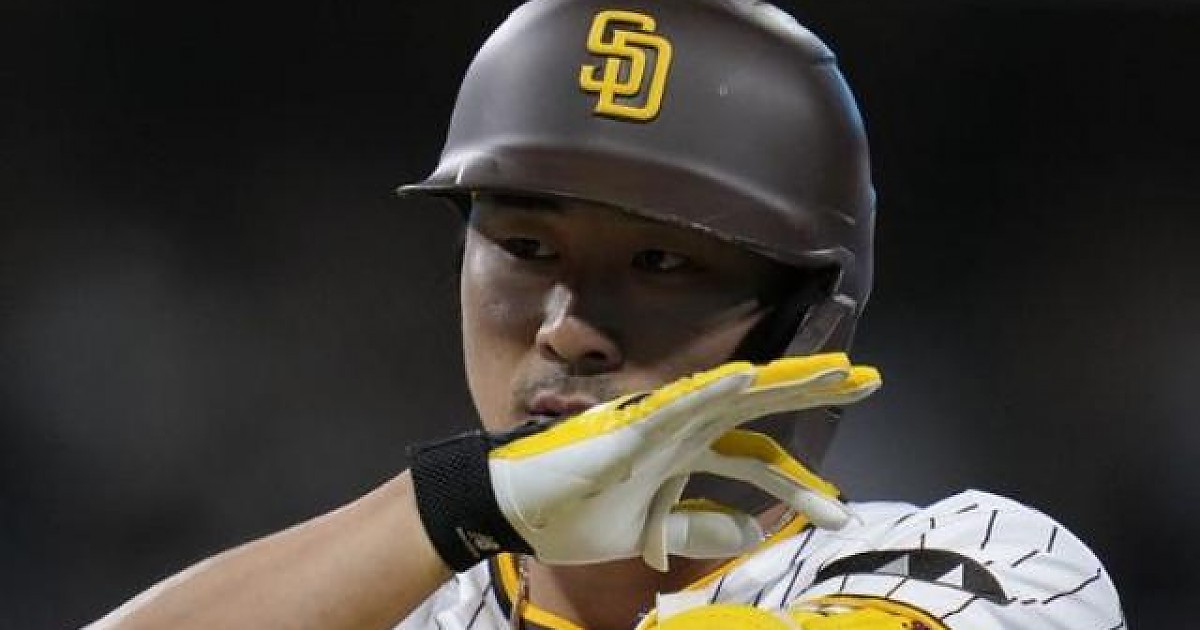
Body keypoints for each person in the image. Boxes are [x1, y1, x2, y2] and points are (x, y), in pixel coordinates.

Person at [90, 0, 1125, 628]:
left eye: (662, 263)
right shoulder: (380, 598)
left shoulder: (984, 568)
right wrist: (450, 505)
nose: (568, 327)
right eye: (526, 249)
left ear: (811, 318)